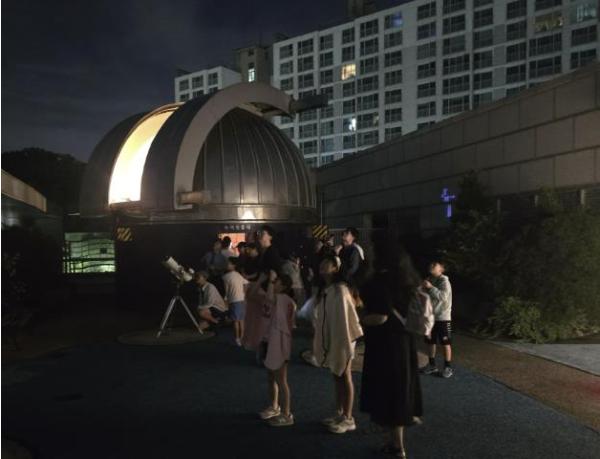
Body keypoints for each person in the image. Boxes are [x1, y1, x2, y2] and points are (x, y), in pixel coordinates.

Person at [360, 236, 423, 458]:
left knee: (389, 391)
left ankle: (398, 447)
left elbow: (381, 317)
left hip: (385, 344)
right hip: (405, 342)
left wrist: (361, 321)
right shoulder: (407, 280)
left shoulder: (379, 282)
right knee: (401, 388)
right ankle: (394, 442)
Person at [312, 255, 363, 434]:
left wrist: (345, 339)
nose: (322, 265)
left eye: (326, 263)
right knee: (336, 374)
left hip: (344, 338)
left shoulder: (340, 289)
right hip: (335, 336)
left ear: (336, 268)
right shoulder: (328, 289)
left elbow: (347, 318)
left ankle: (348, 418)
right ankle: (340, 413)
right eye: (322, 262)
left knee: (345, 374)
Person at [257, 270, 297, 427]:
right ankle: (274, 406)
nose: (274, 284)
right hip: (271, 340)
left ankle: (287, 414)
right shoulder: (280, 299)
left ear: (284, 286)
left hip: (280, 343)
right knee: (271, 377)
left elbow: (270, 299)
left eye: (277, 282)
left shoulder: (283, 299)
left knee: (281, 379)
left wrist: (270, 280)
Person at [421, 260, 453, 378]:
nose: (432, 265)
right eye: (431, 264)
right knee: (430, 342)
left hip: (443, 317)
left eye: (435, 265)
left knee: (445, 342)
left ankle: (448, 367)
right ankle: (432, 365)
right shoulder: (429, 279)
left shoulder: (444, 281)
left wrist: (430, 287)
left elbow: (443, 297)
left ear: (441, 269)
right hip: (430, 317)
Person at [222, 257, 249, 346]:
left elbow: (226, 291)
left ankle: (237, 338)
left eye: (229, 263)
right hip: (242, 300)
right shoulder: (239, 275)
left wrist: (226, 300)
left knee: (235, 321)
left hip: (234, 300)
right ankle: (242, 338)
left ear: (234, 265)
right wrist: (244, 294)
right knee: (241, 320)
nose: (227, 265)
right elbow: (246, 283)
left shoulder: (225, 277)